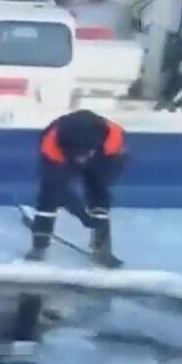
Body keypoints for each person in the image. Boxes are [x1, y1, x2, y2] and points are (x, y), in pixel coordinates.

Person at [28, 109, 126, 267]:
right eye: (77, 154)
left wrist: (96, 210)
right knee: (48, 196)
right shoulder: (51, 144)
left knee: (99, 193)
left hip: (101, 157)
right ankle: (39, 245)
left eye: (85, 154)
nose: (81, 159)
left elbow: (107, 175)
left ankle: (102, 248)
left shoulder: (113, 139)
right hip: (62, 157)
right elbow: (57, 187)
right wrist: (81, 214)